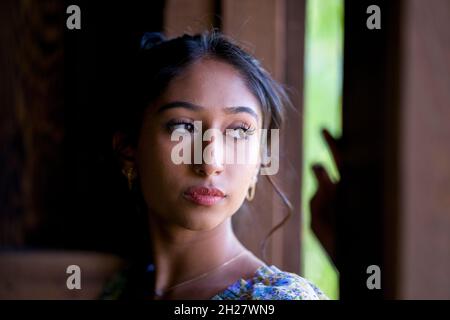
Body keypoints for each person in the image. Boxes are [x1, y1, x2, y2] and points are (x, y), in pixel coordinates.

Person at [102, 30, 328, 300]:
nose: (210, 163)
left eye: (239, 132)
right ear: (128, 148)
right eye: (183, 127)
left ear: (259, 162)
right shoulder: (120, 290)